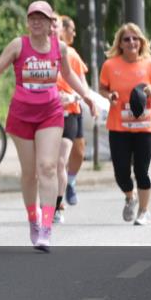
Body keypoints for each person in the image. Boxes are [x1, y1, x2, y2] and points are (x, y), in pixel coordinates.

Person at [0, 1, 97, 251]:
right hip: (22, 114)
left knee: (48, 167)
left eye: (42, 18)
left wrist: (86, 95)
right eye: (32, 17)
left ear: (50, 23)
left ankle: (46, 227)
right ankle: (33, 218)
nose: (36, 21)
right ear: (27, 21)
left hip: (51, 112)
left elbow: (68, 75)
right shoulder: (18, 45)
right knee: (29, 173)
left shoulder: (60, 48)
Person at [98, 23, 151, 225]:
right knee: (121, 173)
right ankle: (130, 195)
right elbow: (102, 89)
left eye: (135, 38)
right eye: (126, 39)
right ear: (120, 43)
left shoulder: (150, 64)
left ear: (141, 42)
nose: (131, 42)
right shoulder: (110, 65)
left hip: (145, 127)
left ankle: (144, 211)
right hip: (119, 127)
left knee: (142, 170)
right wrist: (110, 96)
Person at [54, 15, 89, 221]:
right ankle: (55, 203)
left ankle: (71, 182)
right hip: (47, 113)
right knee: (55, 163)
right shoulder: (37, 53)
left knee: (78, 152)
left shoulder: (72, 54)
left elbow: (82, 86)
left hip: (71, 110)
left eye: (55, 25)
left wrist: (75, 96)